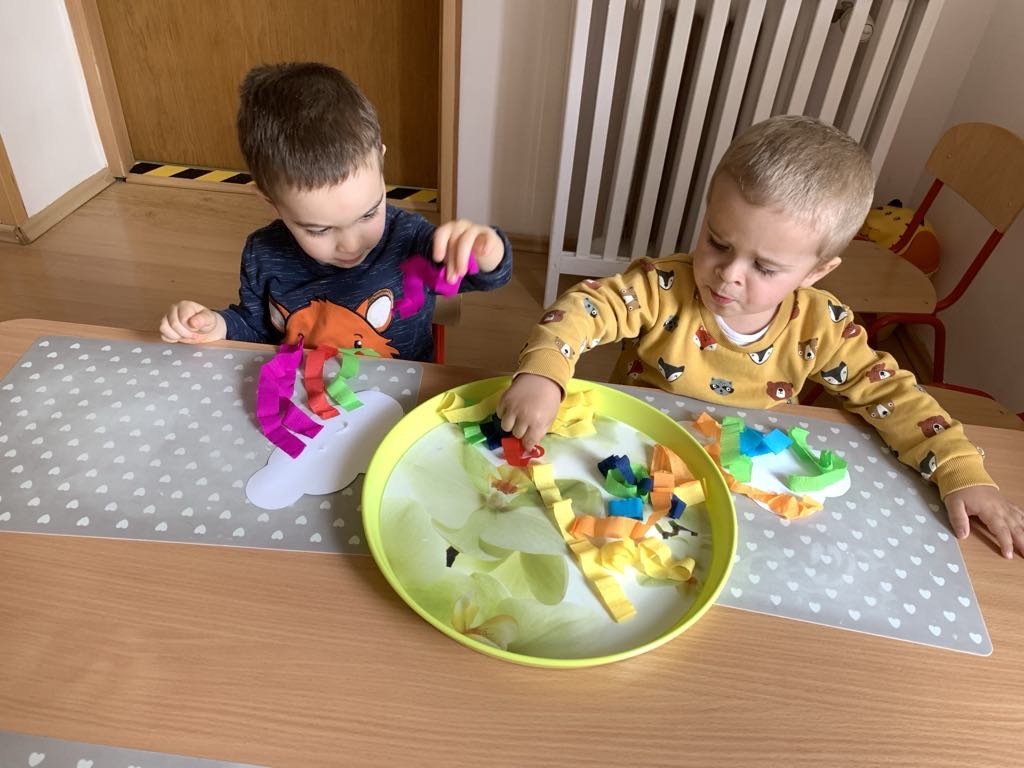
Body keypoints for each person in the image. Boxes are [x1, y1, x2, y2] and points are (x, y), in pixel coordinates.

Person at [497, 115, 1024, 558]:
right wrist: (545, 372)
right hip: (637, 462)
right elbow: (585, 308)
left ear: (816, 272)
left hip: (748, 492)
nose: (728, 275)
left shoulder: (821, 327)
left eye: (765, 267)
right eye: (717, 242)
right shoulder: (663, 287)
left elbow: (892, 393)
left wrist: (961, 469)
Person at [159, 62, 512, 361]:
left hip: (401, 394)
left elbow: (487, 276)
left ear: (381, 163)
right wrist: (217, 325)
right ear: (270, 201)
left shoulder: (409, 240)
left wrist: (486, 250)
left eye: (368, 214)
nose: (350, 244)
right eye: (319, 230)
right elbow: (256, 330)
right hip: (305, 396)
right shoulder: (262, 254)